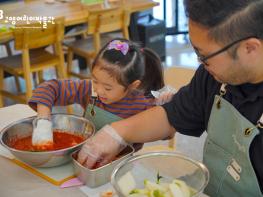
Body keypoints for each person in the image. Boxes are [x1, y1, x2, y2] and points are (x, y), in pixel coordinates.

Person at [77, 0, 263, 196]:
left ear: (250, 48)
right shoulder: (214, 76)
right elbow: (172, 115)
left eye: (204, 56)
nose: (200, 62)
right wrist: (115, 133)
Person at [29, 38, 166, 150]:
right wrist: (43, 122)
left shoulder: (143, 105)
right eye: (95, 80)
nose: (99, 91)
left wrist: (166, 107)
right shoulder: (89, 90)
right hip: (84, 154)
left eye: (108, 88)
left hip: (120, 166)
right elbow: (50, 88)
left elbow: (166, 133)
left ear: (132, 85)